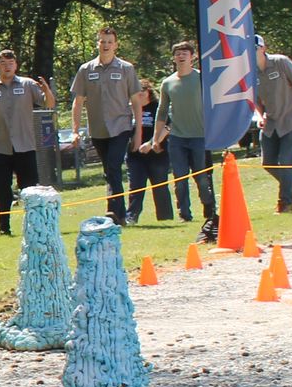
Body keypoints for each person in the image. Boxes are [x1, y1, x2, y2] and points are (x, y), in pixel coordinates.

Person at [0, 49, 56, 236]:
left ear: (16, 65)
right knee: (3, 192)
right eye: (3, 63)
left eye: (10, 63)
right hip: (1, 148)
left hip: (25, 147)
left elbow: (49, 104)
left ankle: (35, 228)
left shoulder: (27, 84)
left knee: (31, 191)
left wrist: (47, 91)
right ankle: (3, 227)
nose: (7, 66)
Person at [69, 27, 142, 225]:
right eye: (102, 41)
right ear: (97, 44)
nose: (106, 45)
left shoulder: (126, 68)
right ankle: (119, 213)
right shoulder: (86, 70)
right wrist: (75, 131)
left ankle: (114, 213)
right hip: (98, 129)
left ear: (116, 45)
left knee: (113, 166)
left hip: (121, 126)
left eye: (110, 41)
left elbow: (136, 101)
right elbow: (78, 101)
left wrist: (138, 133)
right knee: (109, 170)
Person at [151, 40, 218, 242]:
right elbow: (161, 112)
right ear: (174, 58)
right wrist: (156, 138)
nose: (181, 56)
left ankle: (209, 209)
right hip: (178, 138)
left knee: (201, 177)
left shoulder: (201, 78)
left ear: (192, 57)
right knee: (180, 178)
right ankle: (184, 214)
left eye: (185, 53)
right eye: (178, 53)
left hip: (200, 136)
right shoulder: (168, 83)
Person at [253, 35, 292, 212]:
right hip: (271, 123)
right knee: (268, 162)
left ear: (263, 48)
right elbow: (254, 100)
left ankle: (285, 203)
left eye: (255, 48)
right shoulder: (249, 72)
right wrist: (260, 116)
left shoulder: (281, 62)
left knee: (285, 160)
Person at [126, 75, 173, 224]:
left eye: (143, 90)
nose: (140, 93)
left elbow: (167, 127)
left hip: (157, 153)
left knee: (160, 186)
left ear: (149, 92)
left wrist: (151, 142)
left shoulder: (157, 107)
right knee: (136, 186)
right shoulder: (129, 109)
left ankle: (165, 218)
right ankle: (131, 216)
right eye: (136, 91)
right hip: (135, 156)